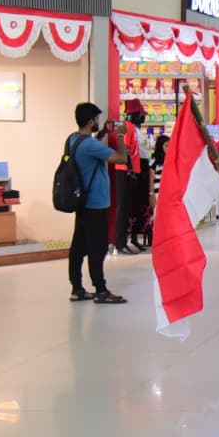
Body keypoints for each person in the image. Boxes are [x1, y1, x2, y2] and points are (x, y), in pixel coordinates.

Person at [67, 102, 128, 304]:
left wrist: (103, 132)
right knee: (97, 247)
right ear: (91, 120)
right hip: (95, 202)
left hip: (81, 201)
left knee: (78, 246)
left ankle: (77, 288)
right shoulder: (91, 145)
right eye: (97, 119)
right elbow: (121, 158)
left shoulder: (72, 140)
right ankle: (101, 290)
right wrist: (120, 136)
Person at [113, 99, 148, 255]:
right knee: (124, 208)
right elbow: (125, 149)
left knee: (133, 208)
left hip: (134, 170)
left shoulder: (135, 129)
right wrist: (130, 170)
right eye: (141, 115)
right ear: (134, 115)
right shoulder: (126, 128)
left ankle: (130, 240)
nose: (143, 118)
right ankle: (119, 243)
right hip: (124, 171)